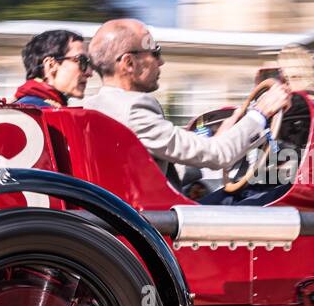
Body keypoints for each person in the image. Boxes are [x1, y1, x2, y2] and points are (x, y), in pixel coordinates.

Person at [83, 19, 291, 186]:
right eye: (155, 53)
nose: (161, 62)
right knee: (269, 196)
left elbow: (172, 156)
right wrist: (261, 112)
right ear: (129, 63)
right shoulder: (133, 110)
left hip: (134, 217)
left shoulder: (91, 106)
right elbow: (219, 155)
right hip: (156, 222)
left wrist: (218, 138)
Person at [13, 29, 91, 106]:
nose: (89, 72)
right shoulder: (34, 110)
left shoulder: (35, 106)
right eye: (82, 61)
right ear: (51, 65)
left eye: (89, 63)